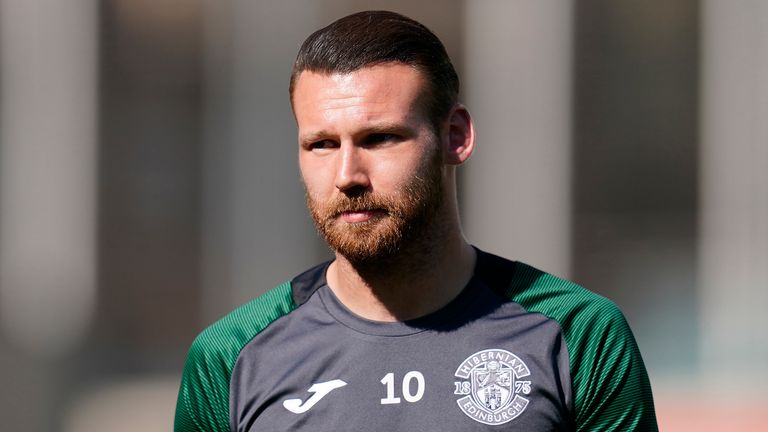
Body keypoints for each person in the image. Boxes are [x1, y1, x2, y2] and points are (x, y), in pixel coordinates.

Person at [174, 10, 658, 431]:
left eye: (379, 138)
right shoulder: (231, 357)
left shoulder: (578, 335)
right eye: (321, 144)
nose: (347, 176)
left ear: (455, 136)